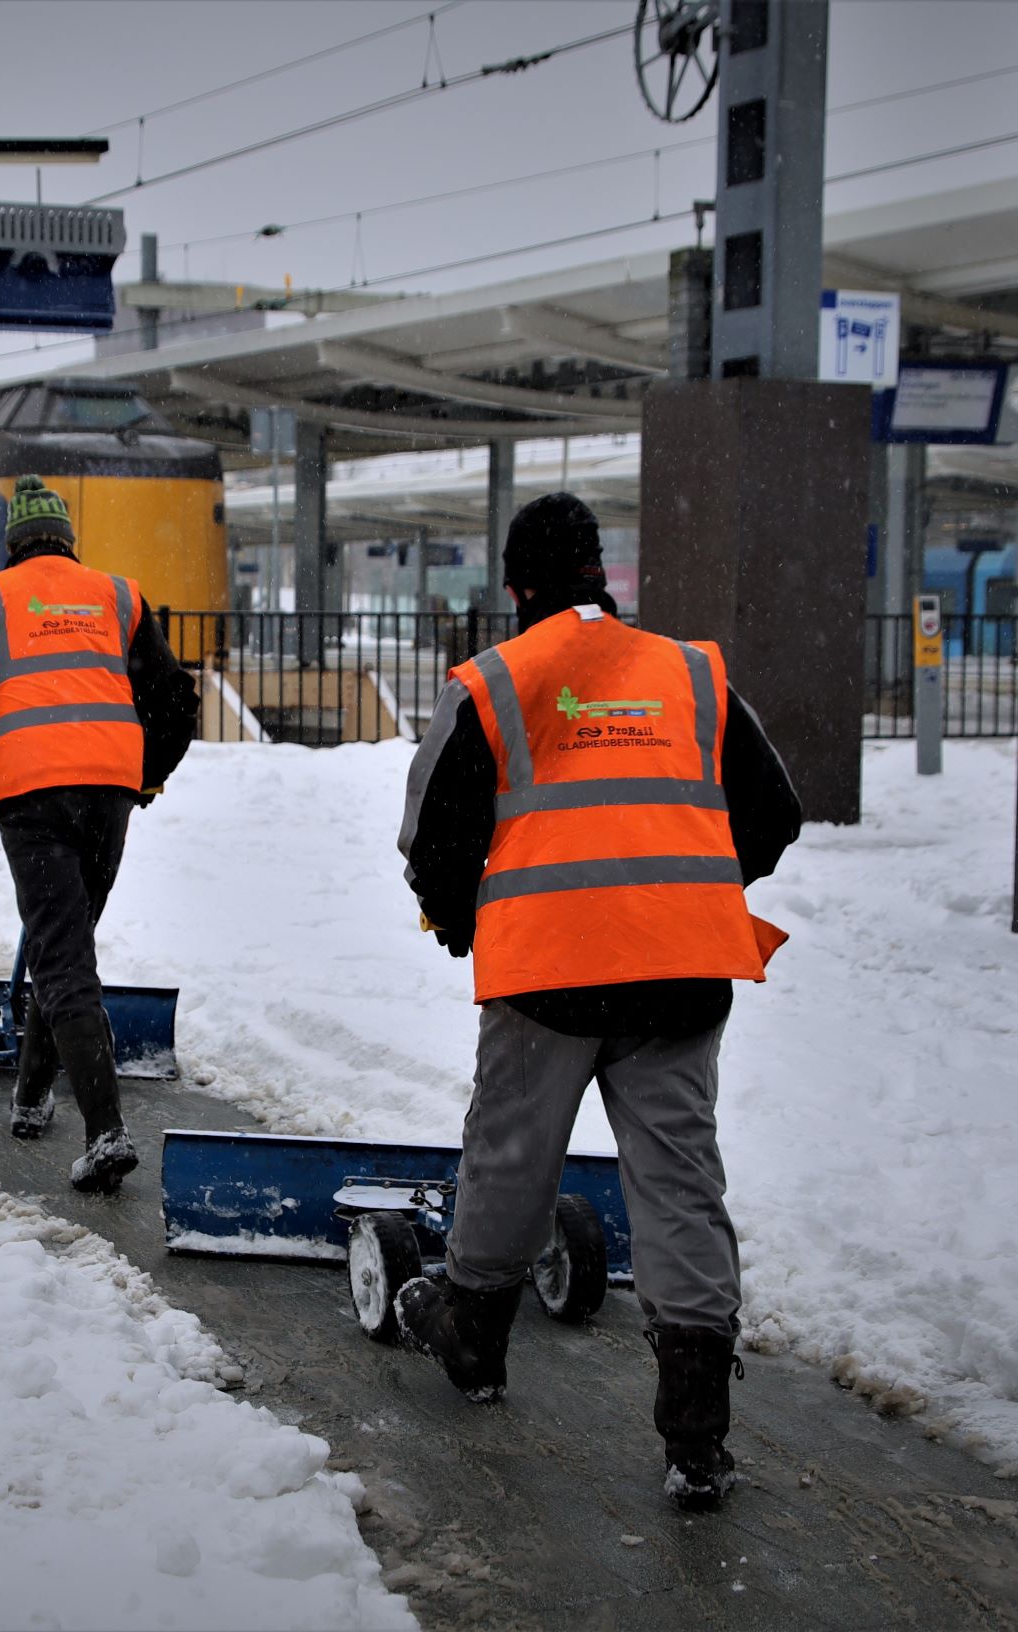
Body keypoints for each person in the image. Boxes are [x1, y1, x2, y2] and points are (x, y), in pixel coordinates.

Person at [393, 492, 802, 1510]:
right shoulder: (691, 673)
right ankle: (696, 1437)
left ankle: (474, 1338)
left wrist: (458, 918)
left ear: (515, 585)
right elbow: (773, 813)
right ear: (601, 575)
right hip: (680, 970)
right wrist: (685, 888)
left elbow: (435, 836)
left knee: (511, 1154)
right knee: (678, 1179)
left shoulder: (494, 680)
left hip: (547, 974)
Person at [0, 474, 198, 1193]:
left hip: (34, 793)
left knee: (62, 955)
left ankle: (106, 1134)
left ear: (12, 544)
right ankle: (31, 1094)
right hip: (107, 792)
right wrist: (147, 775)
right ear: (69, 542)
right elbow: (175, 698)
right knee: (64, 943)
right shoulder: (117, 596)